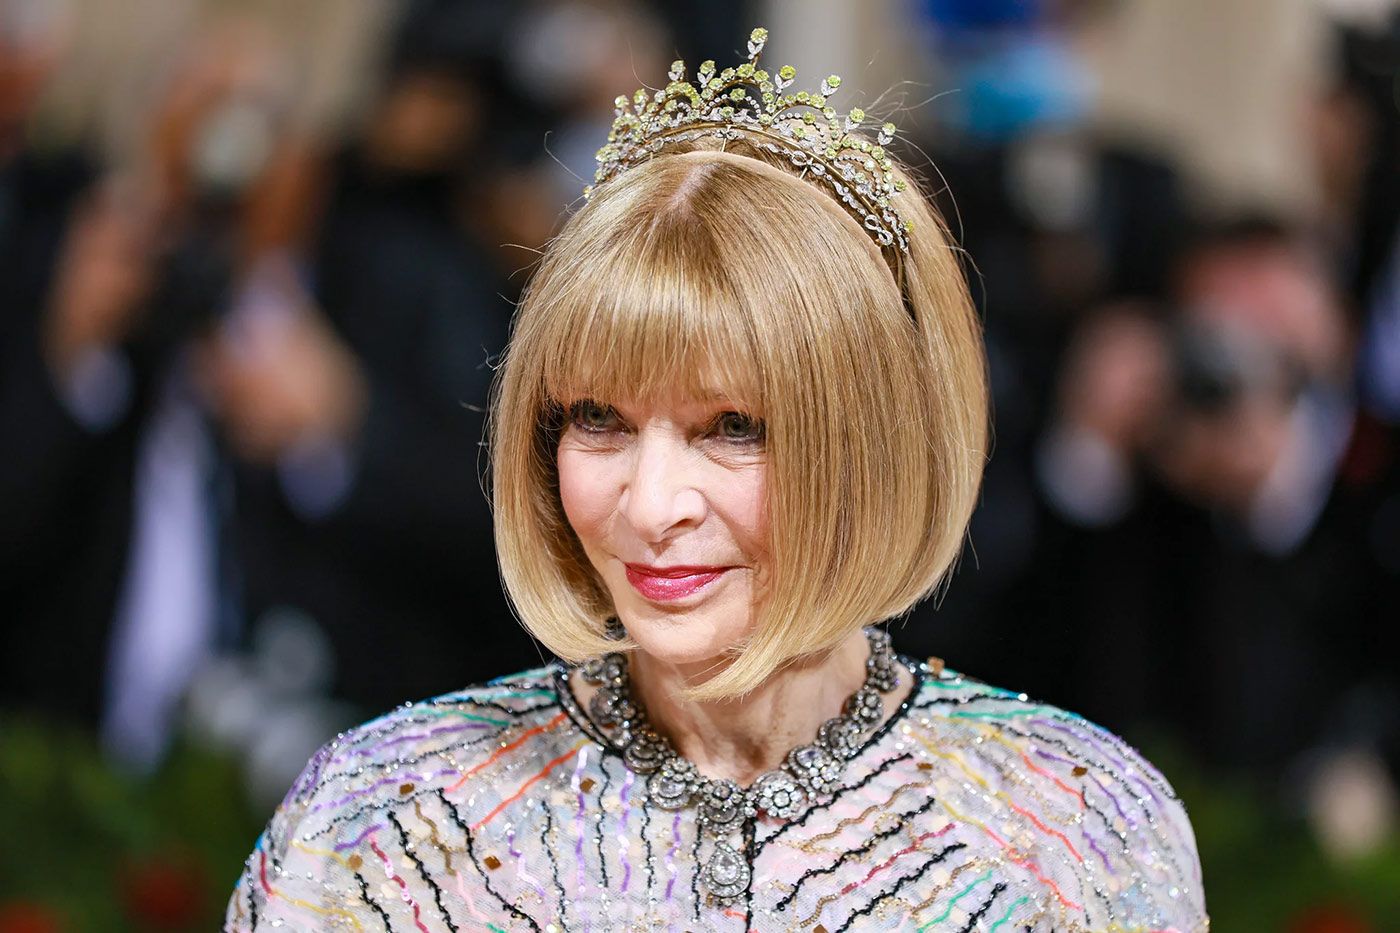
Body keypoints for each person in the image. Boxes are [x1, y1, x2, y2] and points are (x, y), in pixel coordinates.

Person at [226, 28, 1208, 931]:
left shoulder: (1071, 828)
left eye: (733, 428)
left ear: (874, 442)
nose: (651, 508)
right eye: (597, 420)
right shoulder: (381, 823)